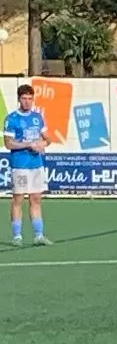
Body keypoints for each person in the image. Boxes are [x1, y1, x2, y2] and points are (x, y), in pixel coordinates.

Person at [5, 82, 50, 246]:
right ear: (19, 99)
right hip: (20, 165)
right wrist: (28, 144)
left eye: (30, 99)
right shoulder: (12, 119)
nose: (27, 102)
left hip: (36, 164)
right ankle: (17, 236)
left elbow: (48, 139)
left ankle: (39, 235)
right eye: (24, 98)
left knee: (36, 198)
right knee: (18, 199)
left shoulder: (37, 117)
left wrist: (41, 144)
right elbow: (8, 144)